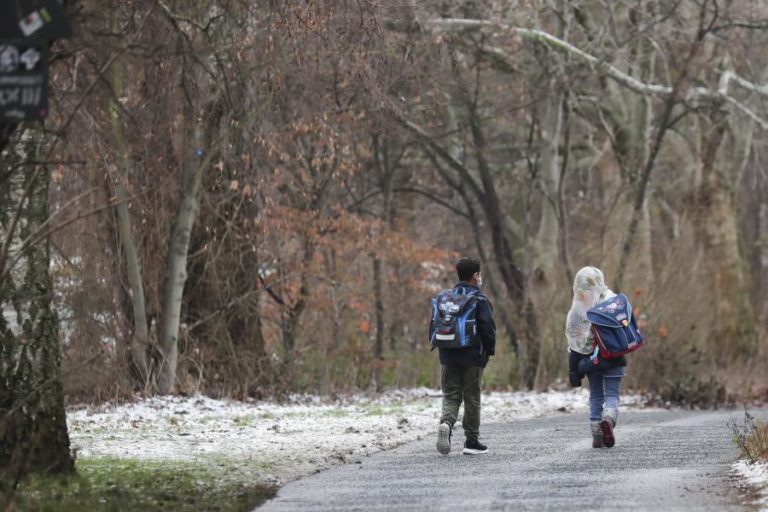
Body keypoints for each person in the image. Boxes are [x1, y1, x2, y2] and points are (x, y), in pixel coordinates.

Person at [435, 257, 496, 455]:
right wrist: (488, 351)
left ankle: (447, 423)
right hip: (472, 356)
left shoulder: (446, 299)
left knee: (451, 395)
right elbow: (488, 329)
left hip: (447, 354)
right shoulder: (479, 300)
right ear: (476, 276)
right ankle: (471, 441)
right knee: (471, 397)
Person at [566, 266, 626, 448]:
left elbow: (574, 342)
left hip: (591, 360)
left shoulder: (576, 309)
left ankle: (597, 435)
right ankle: (608, 419)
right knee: (612, 395)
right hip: (614, 356)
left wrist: (573, 369)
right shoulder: (613, 301)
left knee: (596, 396)